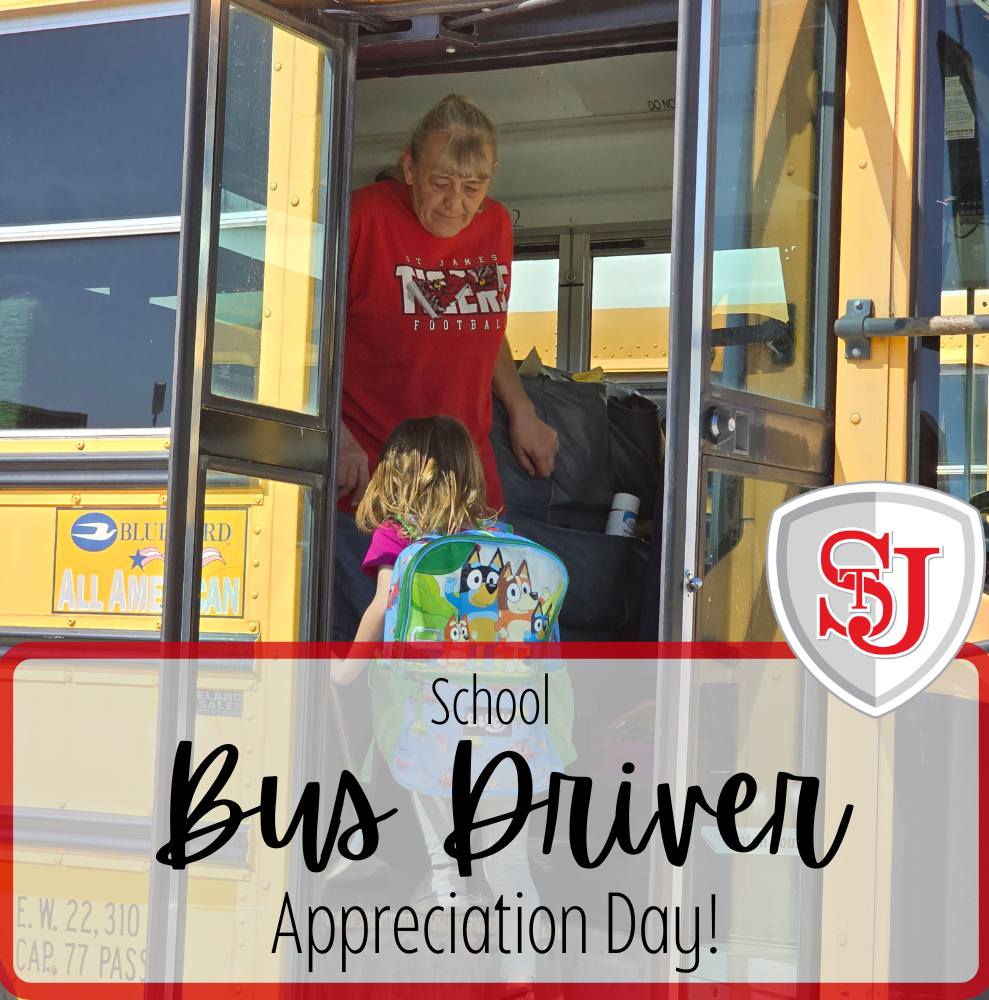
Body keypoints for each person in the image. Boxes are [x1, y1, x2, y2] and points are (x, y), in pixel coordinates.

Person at [333, 93, 560, 643]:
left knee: (478, 646)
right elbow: (301, 333)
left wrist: (522, 408)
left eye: (473, 187)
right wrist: (334, 435)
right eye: (439, 182)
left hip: (469, 480)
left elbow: (480, 321)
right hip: (376, 483)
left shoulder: (497, 226)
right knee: (380, 650)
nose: (456, 203)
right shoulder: (362, 217)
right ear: (409, 166)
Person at [331, 415, 539, 986]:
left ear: (397, 476)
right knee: (509, 858)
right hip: (501, 725)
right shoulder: (499, 540)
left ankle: (450, 966)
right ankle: (524, 975)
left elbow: (379, 611)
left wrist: (344, 672)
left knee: (446, 857)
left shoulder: (398, 542)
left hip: (430, 729)